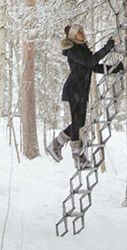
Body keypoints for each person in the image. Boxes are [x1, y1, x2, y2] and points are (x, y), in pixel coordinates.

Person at [47, 22, 120, 169]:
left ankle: (57, 145)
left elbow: (93, 66)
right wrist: (107, 48)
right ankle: (76, 156)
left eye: (82, 30)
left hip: (80, 90)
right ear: (74, 36)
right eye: (79, 32)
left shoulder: (82, 49)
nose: (83, 33)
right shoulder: (73, 50)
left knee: (79, 123)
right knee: (77, 122)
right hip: (75, 89)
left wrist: (114, 69)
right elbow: (89, 61)